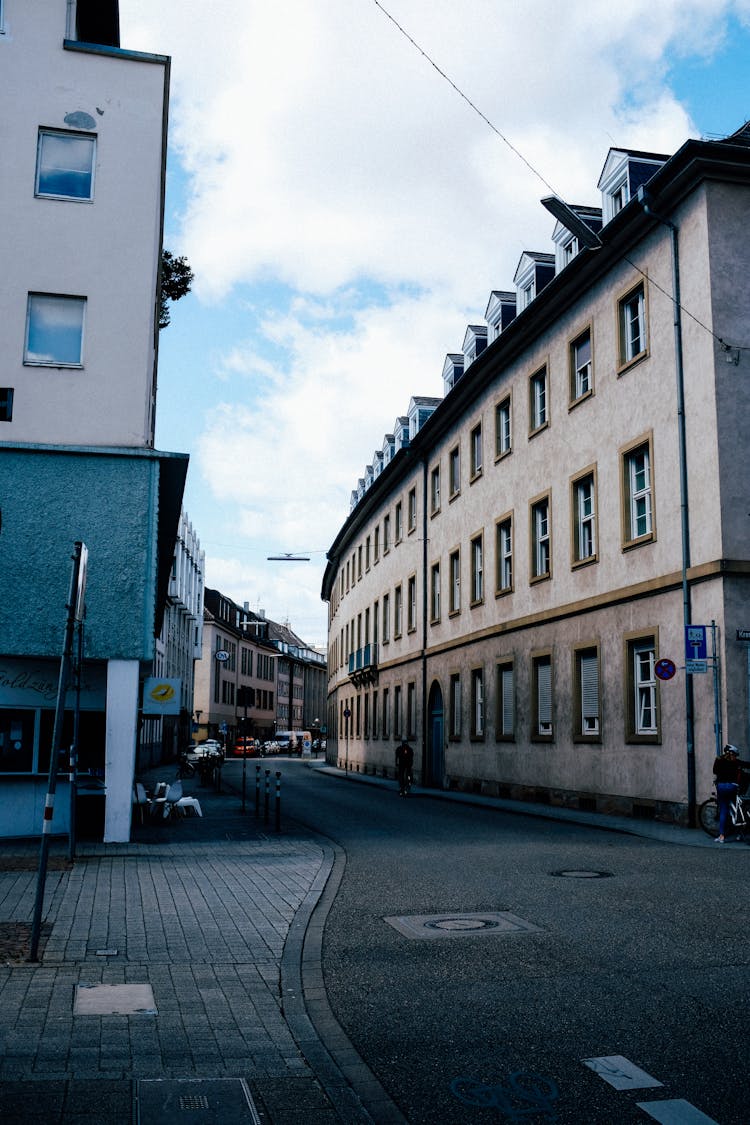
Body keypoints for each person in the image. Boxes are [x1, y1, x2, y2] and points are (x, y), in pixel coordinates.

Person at [712, 744, 750, 842]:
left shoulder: (718, 759)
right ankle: (739, 834)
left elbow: (715, 771)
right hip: (732, 787)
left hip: (721, 787)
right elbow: (747, 765)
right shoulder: (736, 762)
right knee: (737, 809)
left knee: (724, 810)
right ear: (733, 754)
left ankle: (721, 836)